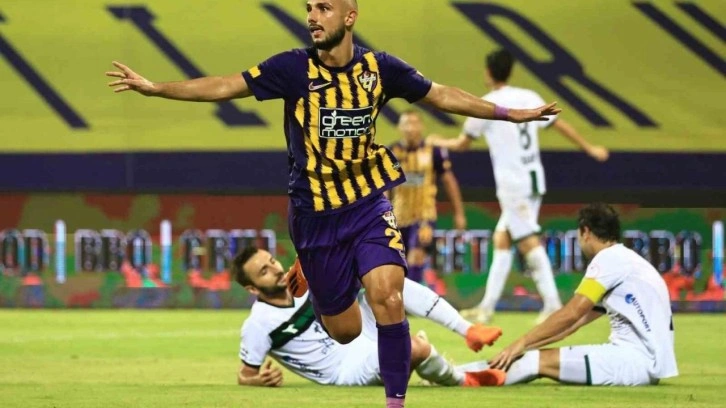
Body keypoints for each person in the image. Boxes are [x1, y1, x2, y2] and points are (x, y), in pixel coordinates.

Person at [105, 1, 559, 405]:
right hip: (314, 218)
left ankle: (395, 401)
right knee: (345, 330)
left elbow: (440, 94)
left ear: (350, 16)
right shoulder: (292, 68)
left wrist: (509, 114)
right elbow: (226, 85)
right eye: (309, 8)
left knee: (388, 296)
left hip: (367, 202)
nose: (312, 16)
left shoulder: (380, 69)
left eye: (323, 7)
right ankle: (323, 272)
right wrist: (156, 88)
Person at [427, 49, 608, 324]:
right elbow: (559, 124)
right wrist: (589, 147)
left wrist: (437, 141)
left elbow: (462, 144)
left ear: (488, 72)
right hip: (533, 178)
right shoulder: (529, 97)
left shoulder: (485, 105)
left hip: (513, 183)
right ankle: (487, 308)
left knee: (526, 241)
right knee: (502, 239)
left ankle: (553, 305)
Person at [233, 247, 504, 388]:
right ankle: (462, 380)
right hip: (346, 370)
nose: (275, 269)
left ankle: (468, 330)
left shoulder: (303, 282)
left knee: (385, 283)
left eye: (272, 261)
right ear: (252, 289)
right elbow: (245, 375)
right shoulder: (258, 325)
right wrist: (256, 380)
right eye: (264, 272)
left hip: (359, 332)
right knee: (415, 348)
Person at [478, 203, 678, 387]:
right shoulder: (627, 260)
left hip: (630, 361)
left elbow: (573, 313)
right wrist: (524, 346)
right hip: (644, 365)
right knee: (531, 358)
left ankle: (464, 377)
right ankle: (469, 374)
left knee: (532, 362)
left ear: (586, 231)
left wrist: (520, 343)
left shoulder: (608, 259)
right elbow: (573, 323)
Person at [388, 110, 466, 289]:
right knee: (399, 263)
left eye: (414, 123)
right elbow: (385, 187)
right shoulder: (393, 153)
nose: (410, 128)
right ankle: (403, 298)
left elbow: (449, 181)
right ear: (399, 127)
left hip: (424, 216)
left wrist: (459, 213)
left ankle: (409, 300)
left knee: (416, 257)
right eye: (406, 124)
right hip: (398, 218)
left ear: (421, 126)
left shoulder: (433, 152)